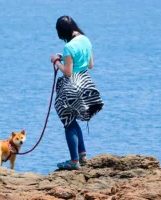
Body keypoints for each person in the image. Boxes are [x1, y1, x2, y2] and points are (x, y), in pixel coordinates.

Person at [51, 15, 104, 170]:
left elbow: (67, 72)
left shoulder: (69, 47)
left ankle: (74, 162)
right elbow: (90, 65)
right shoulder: (86, 40)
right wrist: (68, 61)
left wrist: (56, 61)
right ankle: (82, 155)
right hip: (85, 85)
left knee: (68, 122)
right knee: (73, 120)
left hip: (71, 87)